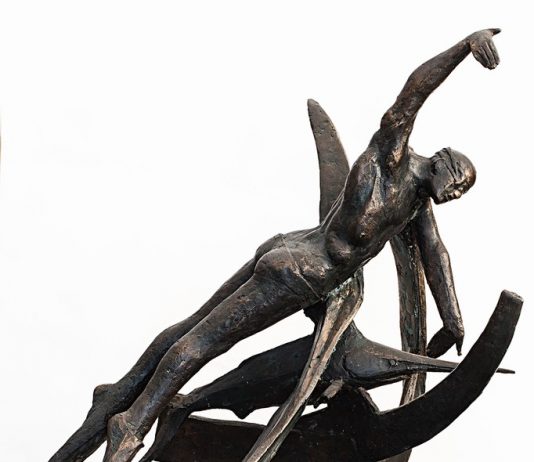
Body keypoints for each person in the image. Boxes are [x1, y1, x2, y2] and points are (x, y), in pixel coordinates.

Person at [50, 28, 501, 462]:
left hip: (291, 249)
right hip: (303, 275)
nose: (455, 195)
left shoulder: (417, 204)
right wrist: (464, 46)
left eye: (462, 192)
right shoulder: (391, 159)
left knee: (185, 332)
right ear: (442, 162)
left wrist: (453, 321)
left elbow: (436, 256)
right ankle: (131, 424)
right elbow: (411, 95)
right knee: (201, 343)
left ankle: (117, 398)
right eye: (458, 184)